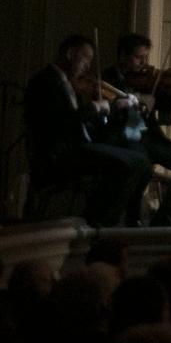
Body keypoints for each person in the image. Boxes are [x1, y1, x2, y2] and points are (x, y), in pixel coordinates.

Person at [24, 35, 152, 226]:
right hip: (60, 154)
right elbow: (59, 124)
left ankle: (110, 219)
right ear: (69, 54)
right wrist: (94, 108)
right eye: (85, 59)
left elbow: (81, 121)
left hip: (80, 146)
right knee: (130, 163)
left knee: (141, 159)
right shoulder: (45, 81)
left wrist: (106, 112)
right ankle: (99, 222)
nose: (88, 66)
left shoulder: (69, 83)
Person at [102, 32, 171, 225]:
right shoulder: (106, 79)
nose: (144, 63)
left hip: (150, 138)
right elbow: (105, 115)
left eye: (146, 57)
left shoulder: (147, 80)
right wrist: (130, 103)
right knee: (142, 166)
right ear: (122, 56)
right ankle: (131, 218)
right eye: (138, 57)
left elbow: (167, 104)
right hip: (125, 139)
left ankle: (165, 215)